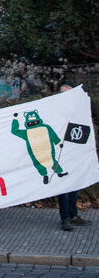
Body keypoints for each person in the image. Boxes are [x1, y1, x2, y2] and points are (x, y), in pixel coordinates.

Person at [57, 83, 97, 231]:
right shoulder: (55, 109)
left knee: (75, 184)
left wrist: (84, 97)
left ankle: (73, 215)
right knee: (64, 187)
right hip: (62, 153)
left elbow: (94, 111)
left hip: (76, 151)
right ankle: (65, 218)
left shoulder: (79, 108)